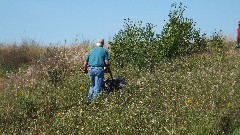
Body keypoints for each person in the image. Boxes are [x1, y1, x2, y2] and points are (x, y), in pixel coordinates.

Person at [83, 39, 110, 104]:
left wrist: (85, 70)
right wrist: (107, 68)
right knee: (97, 87)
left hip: (90, 69)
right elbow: (106, 62)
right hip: (99, 69)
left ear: (96, 44)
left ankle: (88, 100)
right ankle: (94, 103)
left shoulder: (91, 51)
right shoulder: (104, 51)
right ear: (102, 44)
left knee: (92, 86)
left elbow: (85, 63)